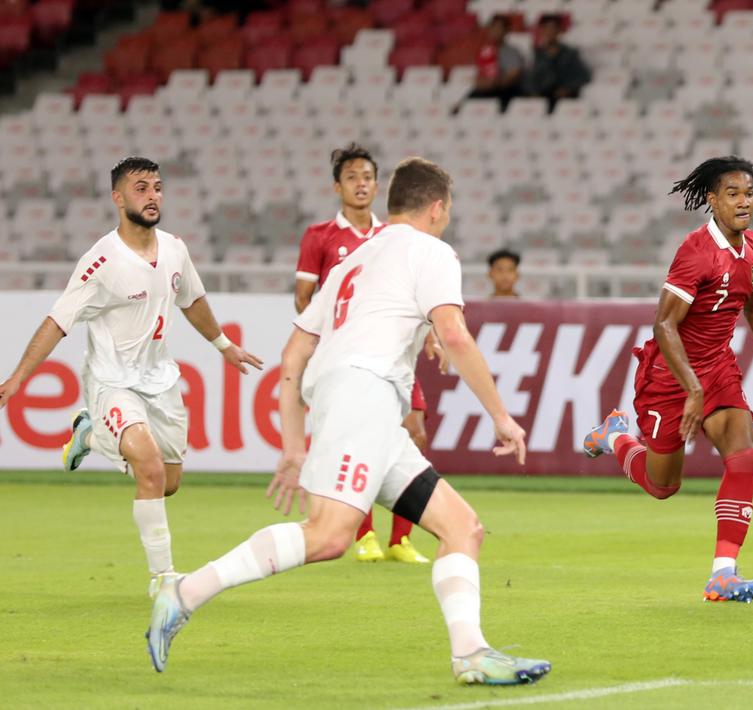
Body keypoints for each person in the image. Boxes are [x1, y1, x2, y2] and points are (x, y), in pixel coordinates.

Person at [146, 157, 551, 686]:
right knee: (329, 535)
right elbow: (454, 334)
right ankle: (185, 592)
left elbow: (293, 356)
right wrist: (501, 416)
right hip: (365, 393)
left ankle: (470, 654)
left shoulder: (352, 263)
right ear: (438, 208)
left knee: (462, 528)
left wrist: (294, 445)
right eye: (447, 212)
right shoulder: (432, 251)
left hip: (367, 404)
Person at [0, 157, 264, 596]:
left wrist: (224, 345)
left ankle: (89, 433)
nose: (153, 195)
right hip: (112, 381)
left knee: (169, 482)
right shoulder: (101, 260)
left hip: (160, 380)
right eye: (141, 187)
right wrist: (18, 377)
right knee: (148, 467)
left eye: (158, 187)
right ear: (118, 198)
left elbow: (191, 298)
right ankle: (163, 579)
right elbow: (57, 321)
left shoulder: (175, 248)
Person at [581, 156, 753, 603]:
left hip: (718, 367)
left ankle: (723, 574)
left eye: (750, 193)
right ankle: (618, 436)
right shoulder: (695, 252)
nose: (744, 202)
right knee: (664, 486)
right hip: (670, 375)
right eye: (733, 194)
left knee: (743, 454)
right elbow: (664, 325)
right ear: (713, 200)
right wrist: (692, 389)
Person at [295, 143, 431, 565]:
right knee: (359, 439)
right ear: (337, 186)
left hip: (394, 355)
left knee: (415, 433)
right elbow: (304, 298)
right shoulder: (320, 237)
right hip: (351, 361)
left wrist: (431, 337)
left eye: (368, 177)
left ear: (378, 185)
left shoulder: (391, 235)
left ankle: (400, 539)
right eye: (352, 177)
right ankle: (365, 534)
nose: (361, 184)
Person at [525, 14, 591, 112]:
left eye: (553, 28)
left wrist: (568, 89)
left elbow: (584, 76)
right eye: (546, 28)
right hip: (542, 98)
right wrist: (534, 93)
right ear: (542, 31)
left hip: (565, 99)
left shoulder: (570, 53)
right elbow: (530, 78)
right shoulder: (537, 54)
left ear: (559, 30)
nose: (550, 32)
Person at [470, 14, 524, 110]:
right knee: (472, 98)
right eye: (493, 28)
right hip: (488, 90)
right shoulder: (485, 52)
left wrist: (495, 83)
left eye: (499, 28)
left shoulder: (512, 52)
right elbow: (480, 77)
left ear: (506, 30)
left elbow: (514, 76)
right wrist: (485, 83)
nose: (496, 31)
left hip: (506, 91)